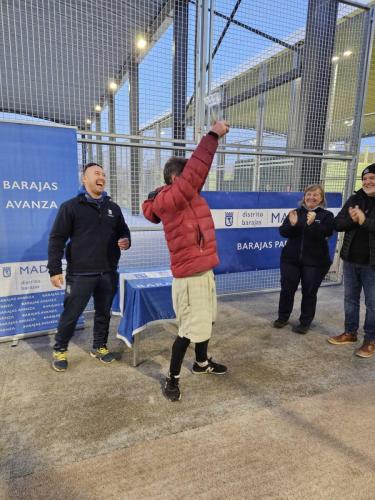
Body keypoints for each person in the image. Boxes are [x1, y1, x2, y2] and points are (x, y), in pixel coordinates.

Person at [142, 121, 229, 402]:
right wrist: (213, 136)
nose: (197, 182)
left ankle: (201, 364)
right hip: (189, 279)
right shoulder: (171, 200)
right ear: (175, 179)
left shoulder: (189, 197)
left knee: (206, 322)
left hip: (204, 273)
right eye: (189, 177)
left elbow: (194, 177)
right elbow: (195, 173)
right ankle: (172, 378)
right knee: (189, 330)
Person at [48, 162, 131, 371]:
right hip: (80, 274)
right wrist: (55, 269)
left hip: (108, 272)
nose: (101, 176)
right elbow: (57, 239)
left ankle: (99, 347)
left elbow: (124, 232)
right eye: (96, 173)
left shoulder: (113, 208)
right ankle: (59, 349)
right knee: (71, 314)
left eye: (103, 174)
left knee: (104, 313)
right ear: (84, 179)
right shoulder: (71, 207)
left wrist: (126, 241)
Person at [327, 164, 375, 358]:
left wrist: (364, 221)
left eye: (372, 178)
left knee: (373, 304)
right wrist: (354, 219)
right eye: (365, 178)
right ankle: (350, 333)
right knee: (350, 299)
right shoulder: (355, 199)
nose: (367, 181)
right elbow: (337, 223)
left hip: (372, 264)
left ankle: (371, 340)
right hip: (350, 260)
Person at [273, 184, 334, 334]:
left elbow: (327, 232)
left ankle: (305, 322)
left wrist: (313, 224)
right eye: (309, 194)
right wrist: (293, 225)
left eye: (315, 195)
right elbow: (283, 232)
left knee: (309, 292)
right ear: (304, 197)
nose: (311, 197)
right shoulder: (295, 213)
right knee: (287, 290)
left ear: (321, 199)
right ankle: (282, 318)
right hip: (290, 260)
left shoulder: (326, 216)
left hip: (315, 263)